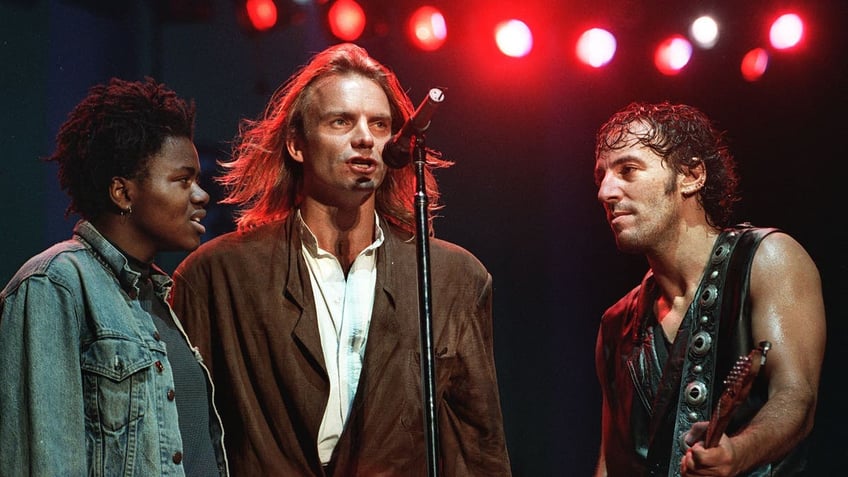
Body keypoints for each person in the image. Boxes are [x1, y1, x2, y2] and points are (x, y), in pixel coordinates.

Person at [169, 43, 512, 476]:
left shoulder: (452, 278)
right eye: (341, 121)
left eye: (380, 124)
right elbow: (182, 439)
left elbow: (476, 448)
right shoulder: (217, 276)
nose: (366, 137)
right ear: (297, 144)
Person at [0, 77, 229, 476]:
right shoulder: (55, 284)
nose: (201, 195)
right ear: (122, 193)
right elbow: (45, 461)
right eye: (183, 179)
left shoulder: (156, 298)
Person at [591, 101, 825, 476]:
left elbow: (796, 397)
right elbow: (611, 458)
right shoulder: (615, 324)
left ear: (691, 175)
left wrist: (739, 452)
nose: (605, 192)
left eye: (628, 170)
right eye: (601, 176)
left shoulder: (767, 259)